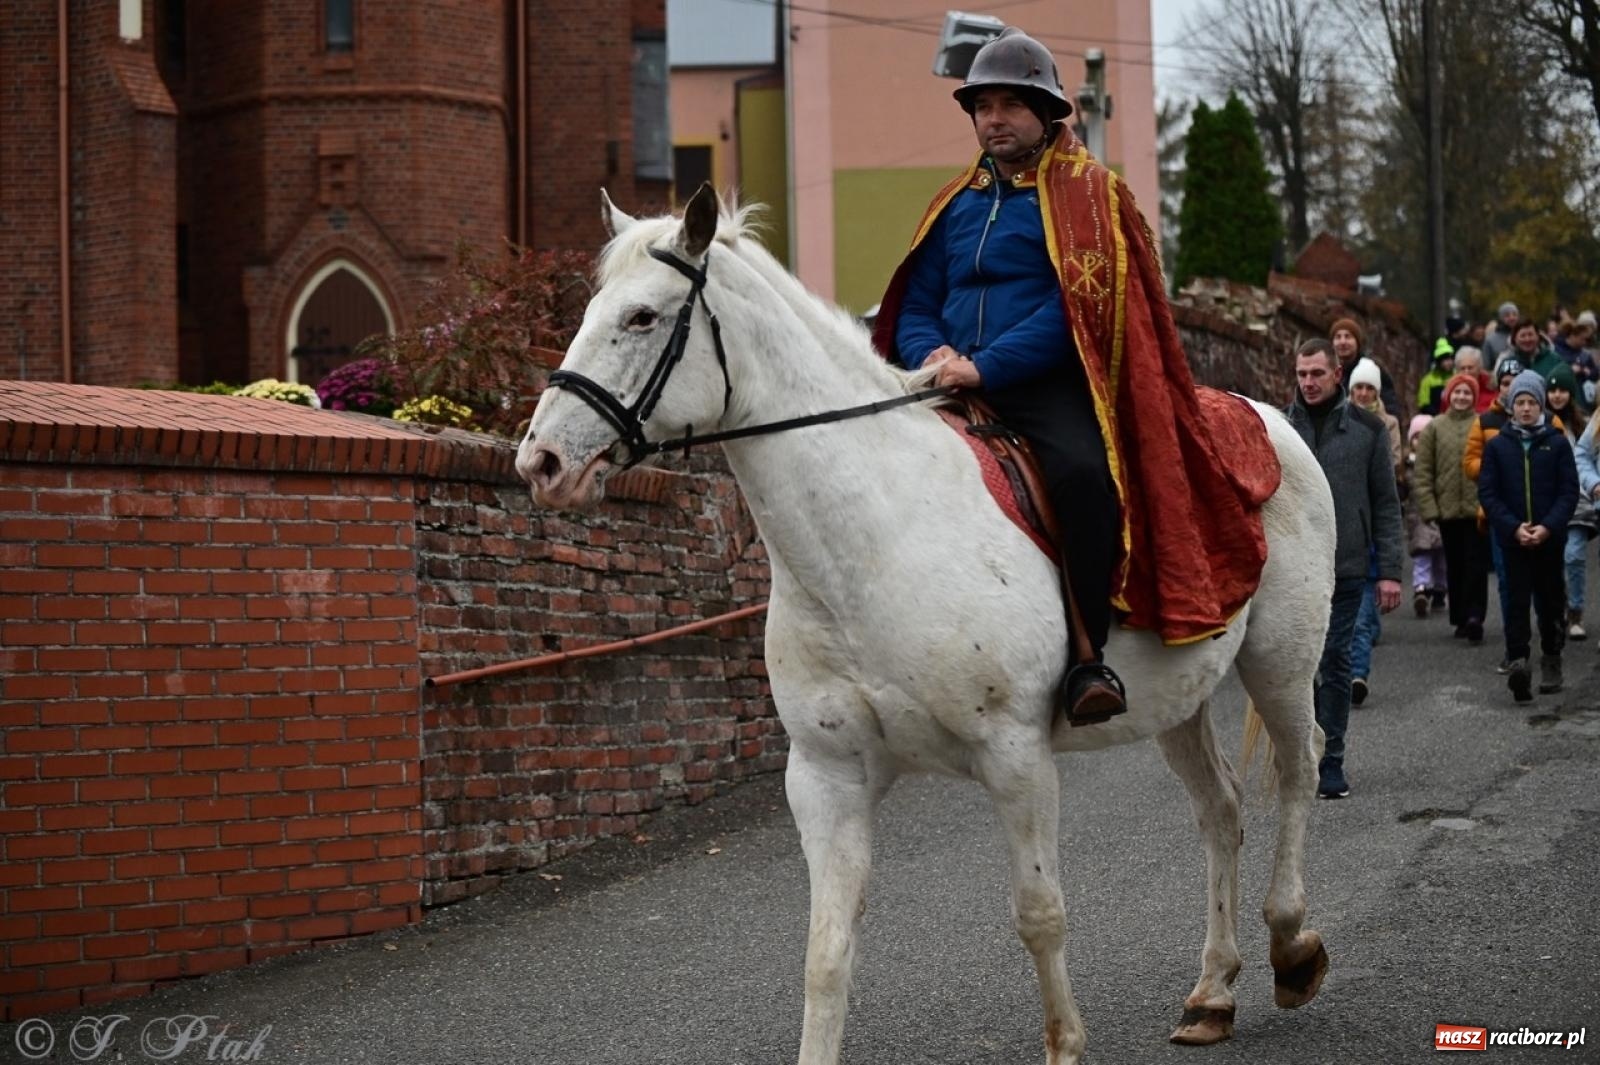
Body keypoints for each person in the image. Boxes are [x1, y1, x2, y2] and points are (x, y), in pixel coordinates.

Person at [873, 27, 1280, 726]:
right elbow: (915, 299)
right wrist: (935, 352)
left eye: (1009, 104)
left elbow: (1075, 312)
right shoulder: (954, 203)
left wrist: (986, 365)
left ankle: (1087, 657)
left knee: (1085, 479)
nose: (993, 118)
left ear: (1046, 110)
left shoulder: (1090, 196)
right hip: (942, 382)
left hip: (1047, 387)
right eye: (982, 105)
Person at [1285, 339, 1404, 798]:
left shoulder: (1368, 431)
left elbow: (1386, 505)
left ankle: (1329, 756)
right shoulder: (1279, 427)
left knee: (1335, 660)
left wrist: (1390, 570)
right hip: (1290, 571)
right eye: (1301, 374)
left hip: (1346, 566)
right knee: (1295, 666)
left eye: (1317, 373)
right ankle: (1299, 753)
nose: (1308, 383)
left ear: (1338, 374)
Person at [1477, 371, 1579, 700]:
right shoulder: (1498, 446)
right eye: (1519, 402)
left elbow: (1568, 492)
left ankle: (1552, 657)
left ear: (1542, 406)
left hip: (1549, 539)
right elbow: (1489, 493)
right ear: (1510, 407)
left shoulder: (1557, 443)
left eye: (1531, 402)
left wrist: (1548, 526)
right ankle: (1519, 659)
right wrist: (1513, 527)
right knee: (1516, 601)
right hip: (1513, 539)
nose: (1525, 409)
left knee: (1550, 602)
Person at [1413, 374, 1489, 641]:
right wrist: (1429, 507)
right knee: (1454, 565)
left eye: (1467, 393)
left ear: (1474, 397)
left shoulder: (1482, 424)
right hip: (1446, 510)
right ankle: (1459, 616)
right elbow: (1423, 471)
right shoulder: (1435, 427)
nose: (1461, 397)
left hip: (1477, 508)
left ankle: (1475, 616)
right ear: (1448, 395)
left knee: (1476, 564)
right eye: (1457, 392)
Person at [1346, 358, 1403, 706]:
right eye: (1359, 388)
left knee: (1362, 621)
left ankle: (1357, 674)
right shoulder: (1339, 427)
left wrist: (1391, 570)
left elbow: (1387, 499)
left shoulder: (1385, 426)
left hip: (1368, 541)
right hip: (1343, 543)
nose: (1364, 393)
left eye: (1370, 388)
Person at [1545, 366, 1594, 639]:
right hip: (1549, 501)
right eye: (1552, 390)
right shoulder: (1540, 423)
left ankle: (1576, 612)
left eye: (1562, 390)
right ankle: (1557, 609)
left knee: (1573, 554)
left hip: (1579, 500)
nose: (1557, 395)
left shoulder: (1583, 425)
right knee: (1553, 560)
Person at [1404, 414, 1448, 617]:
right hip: (1418, 519)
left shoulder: (1440, 464)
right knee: (1422, 557)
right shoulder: (1406, 466)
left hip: (1439, 517)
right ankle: (1421, 589)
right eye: (1416, 436)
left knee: (1440, 558)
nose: (1420, 441)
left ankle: (1439, 589)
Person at [1329, 317, 1403, 420]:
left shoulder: (1372, 369)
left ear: (1357, 342)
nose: (1342, 342)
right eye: (1338, 337)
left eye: (1348, 336)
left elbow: (1390, 406)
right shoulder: (1328, 371)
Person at [1416, 338, 1456, 415]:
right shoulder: (1427, 380)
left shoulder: (1457, 376)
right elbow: (1423, 404)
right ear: (1438, 361)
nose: (1450, 362)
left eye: (1451, 359)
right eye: (1446, 359)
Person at [1451, 347, 1496, 413]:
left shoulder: (1491, 389)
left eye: (1470, 368)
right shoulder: (1451, 392)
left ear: (1479, 368)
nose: (1467, 372)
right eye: (1463, 368)